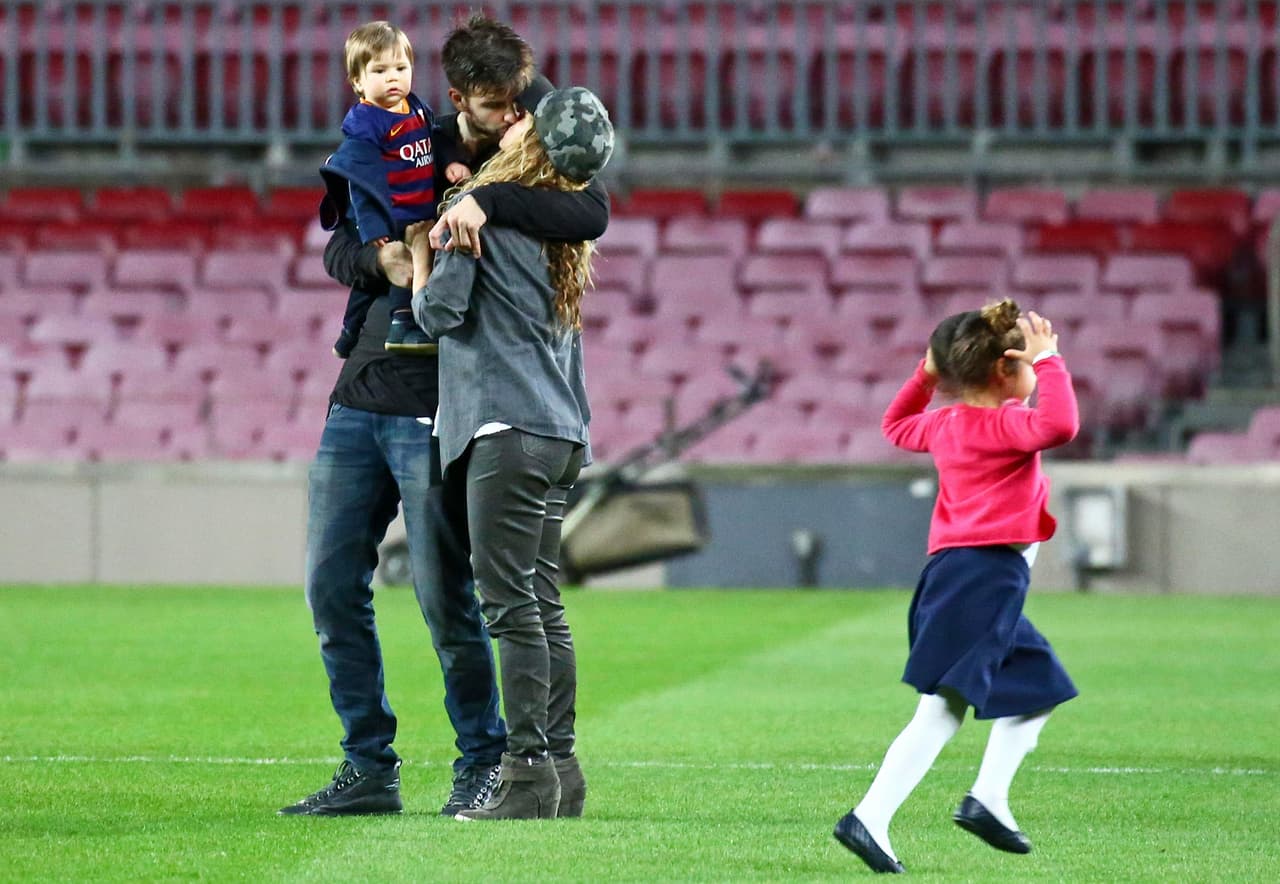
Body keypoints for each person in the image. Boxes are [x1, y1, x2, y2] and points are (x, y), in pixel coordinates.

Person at [280, 17, 610, 818]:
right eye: (496, 105)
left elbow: (592, 213)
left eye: (517, 104)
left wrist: (487, 198)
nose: (512, 115)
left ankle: (482, 762)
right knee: (330, 589)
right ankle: (369, 766)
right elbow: (334, 249)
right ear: (461, 99)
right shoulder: (407, 142)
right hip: (361, 392)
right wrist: (376, 259)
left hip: (445, 404)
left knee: (448, 600)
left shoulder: (514, 162)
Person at [407, 85, 614, 821]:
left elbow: (437, 312)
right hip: (558, 430)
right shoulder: (567, 233)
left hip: (502, 427)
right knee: (543, 605)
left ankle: (525, 776)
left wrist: (419, 253)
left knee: (510, 610)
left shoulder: (484, 212)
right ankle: (560, 768)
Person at [833, 301, 1080, 873]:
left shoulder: (944, 424)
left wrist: (923, 377)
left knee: (1038, 687)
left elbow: (894, 425)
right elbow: (1061, 425)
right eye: (1026, 365)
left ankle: (988, 800)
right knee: (942, 709)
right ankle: (869, 816)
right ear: (1006, 371)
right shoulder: (1008, 423)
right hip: (982, 580)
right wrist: (1053, 362)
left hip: (972, 581)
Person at [320, 21, 445, 357]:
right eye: (379, 71)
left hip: (419, 206)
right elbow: (362, 182)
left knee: (368, 285)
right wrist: (374, 226)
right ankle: (403, 326)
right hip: (392, 213)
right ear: (358, 82)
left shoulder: (416, 108)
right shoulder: (366, 124)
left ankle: (348, 333)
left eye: (401, 68)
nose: (393, 77)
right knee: (400, 266)